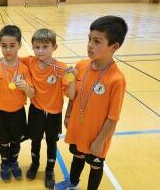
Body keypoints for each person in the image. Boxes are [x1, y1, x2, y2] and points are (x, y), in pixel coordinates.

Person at [0, 28, 76, 189]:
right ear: (32, 48)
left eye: (45, 47)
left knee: (51, 142)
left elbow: (71, 96)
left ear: (54, 47)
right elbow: (10, 55)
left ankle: (49, 170)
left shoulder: (61, 68)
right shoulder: (30, 61)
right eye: (37, 47)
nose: (40, 51)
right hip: (35, 110)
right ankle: (34, 165)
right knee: (35, 140)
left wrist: (72, 80)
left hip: (54, 113)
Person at [58, 15, 128, 190]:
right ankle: (73, 184)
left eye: (97, 41)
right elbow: (76, 96)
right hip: (78, 127)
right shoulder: (81, 65)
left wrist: (100, 141)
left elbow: (113, 118)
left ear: (114, 47)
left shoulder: (116, 79)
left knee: (95, 165)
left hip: (97, 135)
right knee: (77, 156)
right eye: (89, 39)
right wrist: (68, 114)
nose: (89, 45)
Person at [0, 25, 35, 182]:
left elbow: (32, 93)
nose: (8, 50)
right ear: (0, 45)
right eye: (4, 45)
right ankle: (4, 164)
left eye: (12, 45)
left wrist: (26, 87)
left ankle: (14, 162)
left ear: (19, 45)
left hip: (18, 113)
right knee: (3, 142)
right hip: (0, 114)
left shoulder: (24, 69)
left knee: (15, 141)